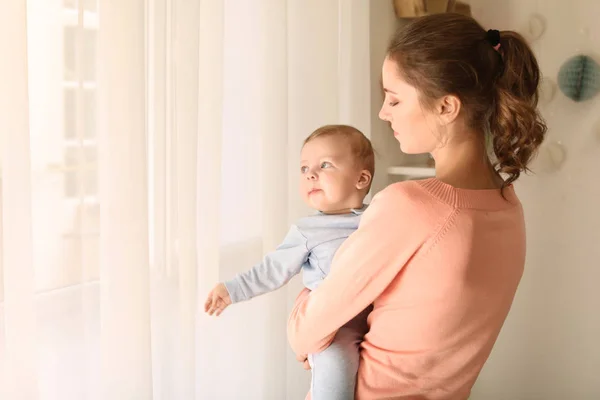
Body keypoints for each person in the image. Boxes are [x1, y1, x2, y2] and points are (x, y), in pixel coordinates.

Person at [287, 13, 546, 400]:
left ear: (446, 107)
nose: (383, 112)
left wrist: (310, 319)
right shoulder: (509, 209)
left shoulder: (409, 206)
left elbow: (306, 330)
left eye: (394, 98)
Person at [204, 124, 375, 400]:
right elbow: (273, 268)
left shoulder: (379, 215)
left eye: (325, 165)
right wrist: (232, 289)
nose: (311, 175)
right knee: (336, 361)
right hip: (335, 323)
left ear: (361, 178)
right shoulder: (307, 230)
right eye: (304, 169)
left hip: (380, 314)